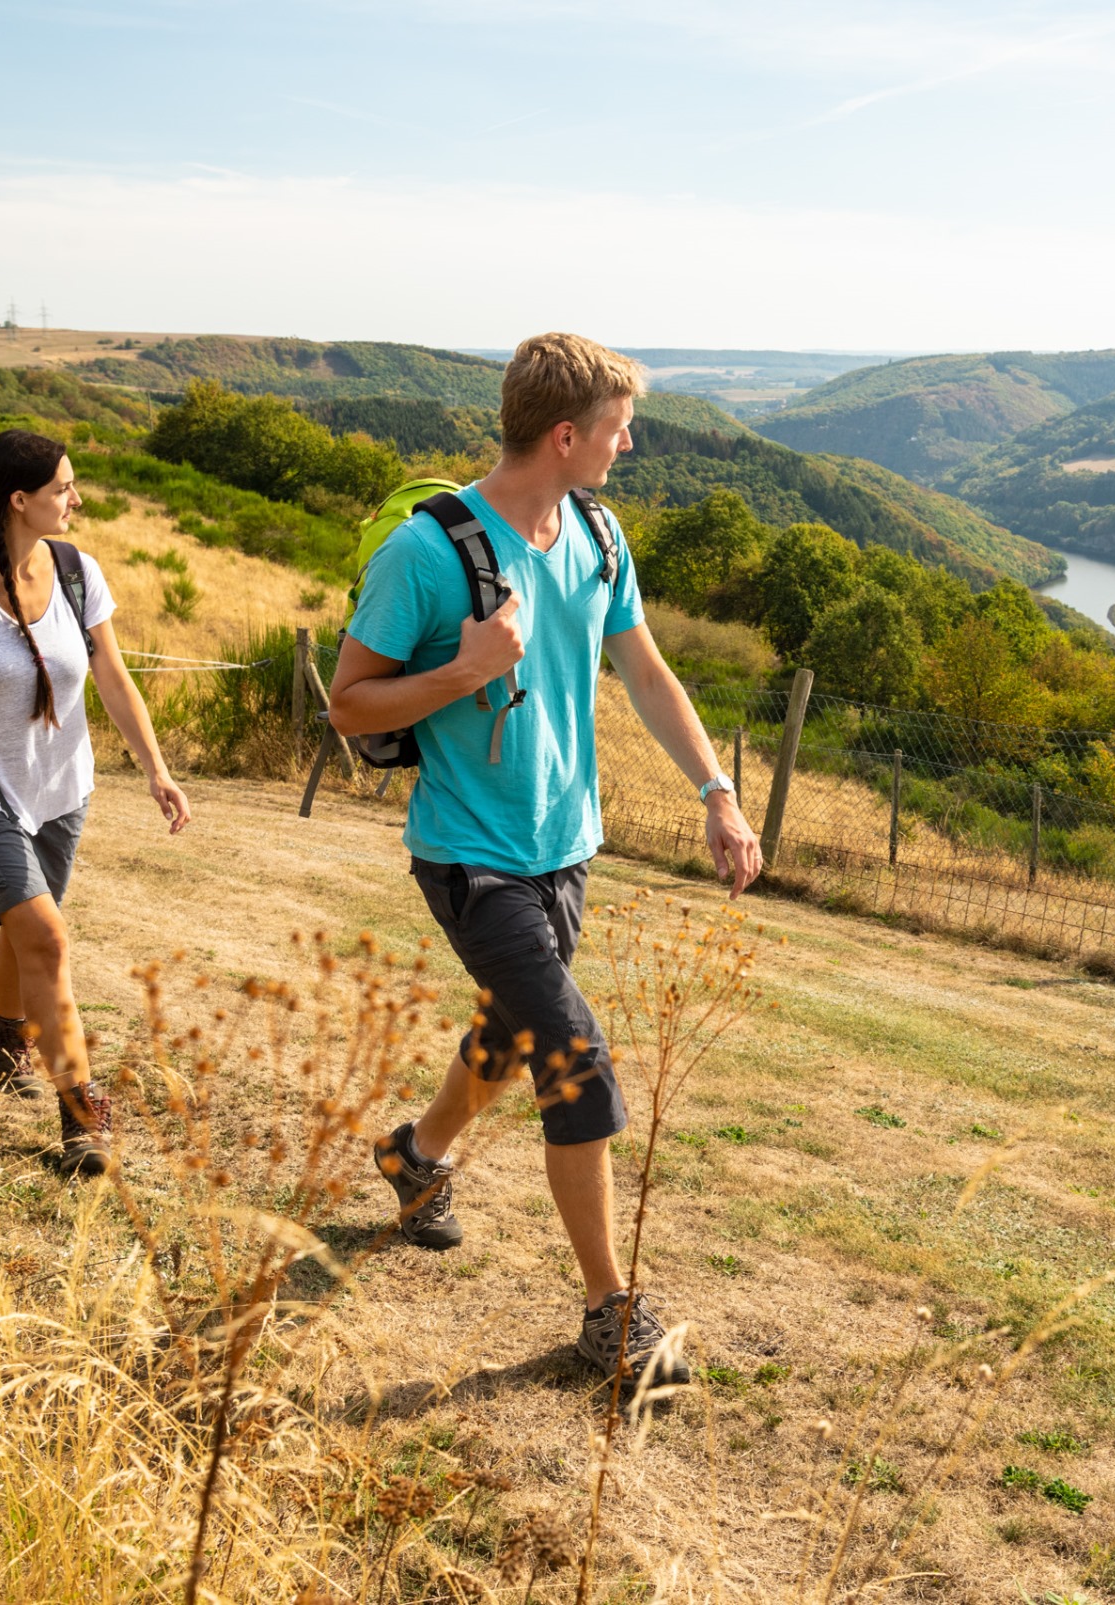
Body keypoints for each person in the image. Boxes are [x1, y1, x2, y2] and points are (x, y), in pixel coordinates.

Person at [329, 333, 761, 1386]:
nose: (630, 443)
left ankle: (414, 1156)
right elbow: (349, 704)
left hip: (566, 849)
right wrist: (464, 668)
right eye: (619, 427)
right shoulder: (429, 554)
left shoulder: (600, 536)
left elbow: (650, 677)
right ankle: (609, 1314)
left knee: (512, 1033)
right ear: (567, 434)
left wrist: (718, 793)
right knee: (576, 1059)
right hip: (469, 854)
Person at [0, 428, 191, 1176]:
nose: (76, 499)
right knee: (47, 936)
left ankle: (3, 1038)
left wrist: (156, 767)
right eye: (63, 488)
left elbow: (113, 676)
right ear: (19, 500)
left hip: (57, 788)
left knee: (28, 927)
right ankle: (82, 1114)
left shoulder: (80, 572)